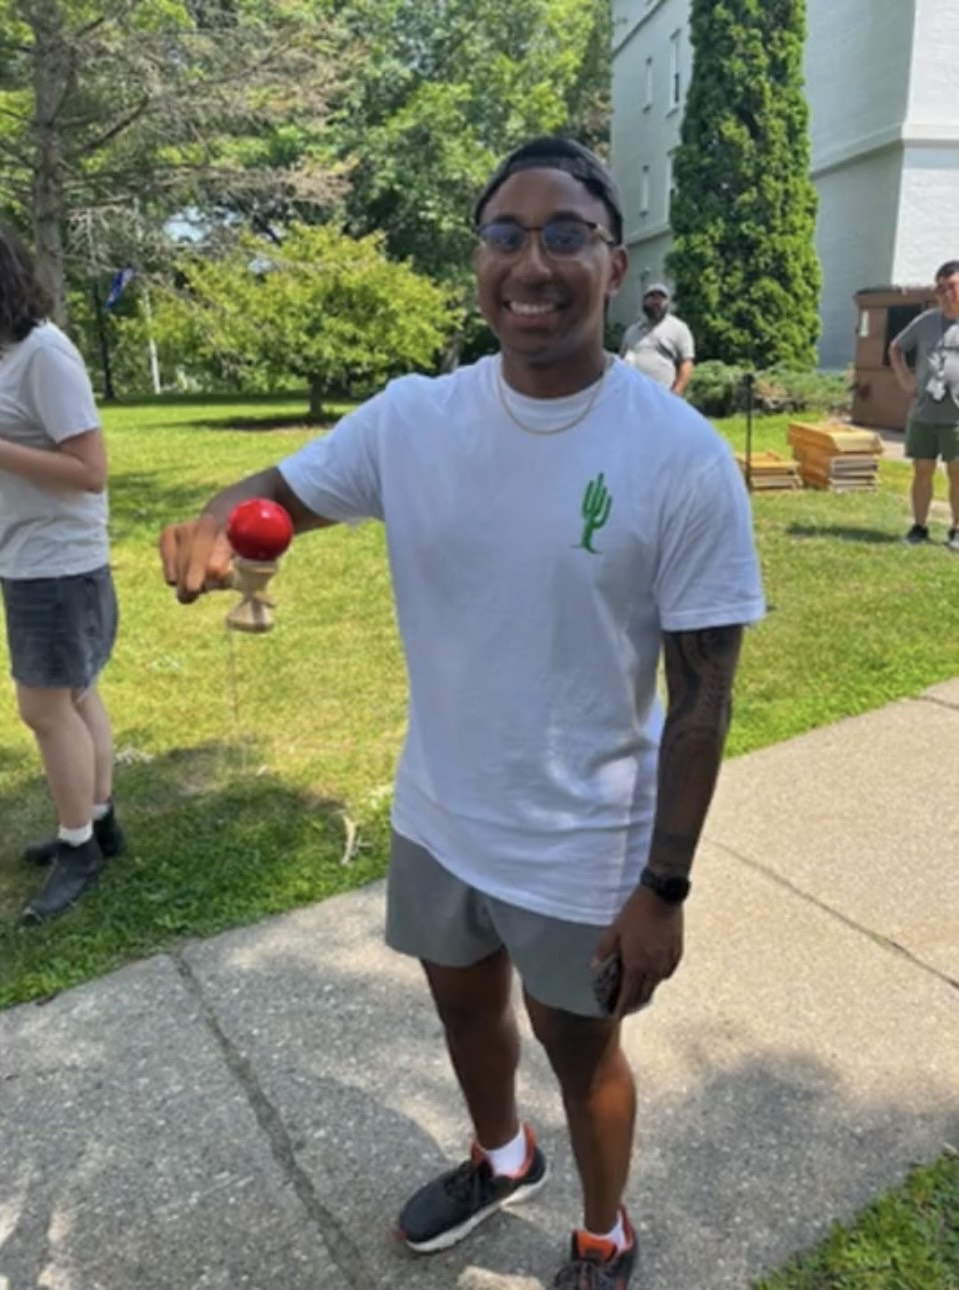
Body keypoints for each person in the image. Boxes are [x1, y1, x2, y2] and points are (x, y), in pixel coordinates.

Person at [159, 137, 764, 1288]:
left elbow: (701, 701)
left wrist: (663, 888)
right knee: (464, 1017)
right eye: (504, 236)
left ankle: (602, 1233)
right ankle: (500, 1157)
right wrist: (213, 511)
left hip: (579, 846)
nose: (529, 263)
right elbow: (278, 491)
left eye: (563, 236)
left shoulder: (676, 459)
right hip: (438, 813)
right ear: (477, 259)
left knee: (582, 1053)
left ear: (613, 261)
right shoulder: (410, 421)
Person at [0, 224, 124, 924]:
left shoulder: (43, 354)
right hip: (26, 554)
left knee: (44, 707)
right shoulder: (4, 352)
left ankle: (78, 846)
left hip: (57, 562)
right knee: (75, 696)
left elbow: (89, 471)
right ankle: (98, 823)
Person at [889, 260, 959, 551]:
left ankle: (956, 530)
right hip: (924, 414)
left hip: (956, 416)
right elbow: (896, 348)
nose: (945, 294)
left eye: (951, 287)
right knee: (922, 470)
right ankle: (919, 526)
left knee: (957, 474)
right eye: (940, 288)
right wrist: (906, 381)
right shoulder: (927, 321)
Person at [619, 283, 695, 395]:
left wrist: (676, 392)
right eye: (652, 297)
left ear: (668, 302)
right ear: (644, 301)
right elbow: (621, 362)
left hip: (664, 396)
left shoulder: (679, 328)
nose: (656, 301)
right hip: (634, 395)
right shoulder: (631, 331)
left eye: (661, 297)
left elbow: (687, 363)